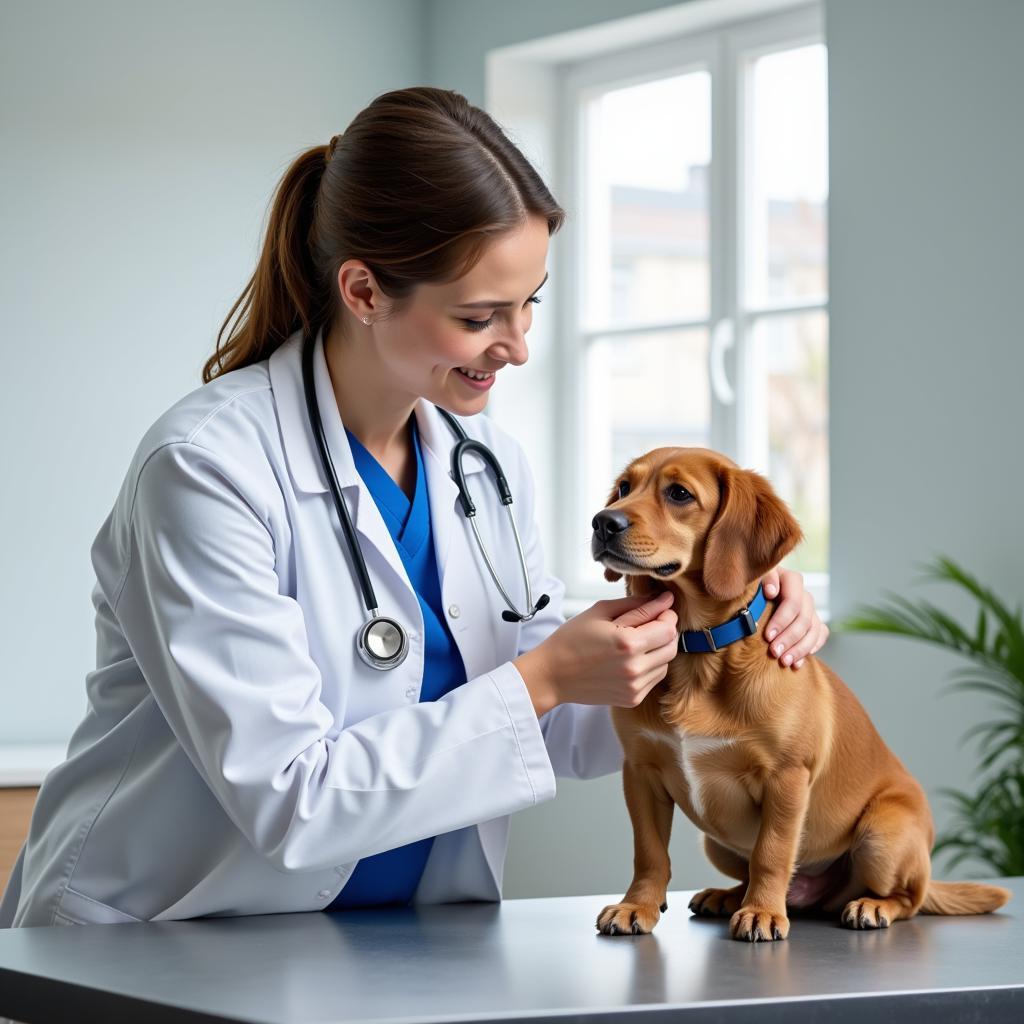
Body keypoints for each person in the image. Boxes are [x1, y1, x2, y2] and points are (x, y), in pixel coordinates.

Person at [0, 87, 827, 928]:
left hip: (397, 941)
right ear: (363, 291)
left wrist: (726, 615)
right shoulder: (207, 469)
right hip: (159, 939)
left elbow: (558, 728)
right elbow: (294, 800)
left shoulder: (485, 464)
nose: (517, 345)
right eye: (479, 316)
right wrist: (542, 679)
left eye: (529, 303)